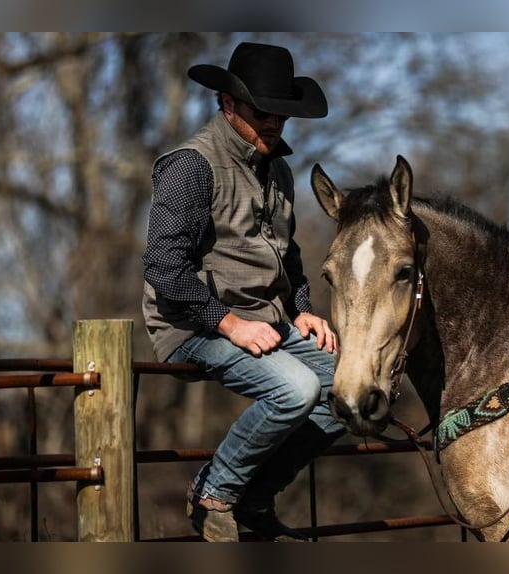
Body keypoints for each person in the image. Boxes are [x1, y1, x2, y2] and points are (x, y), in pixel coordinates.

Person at [142, 41, 345, 542]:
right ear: (229, 104)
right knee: (296, 389)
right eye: (263, 112)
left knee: (350, 390)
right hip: (191, 324)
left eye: (282, 113)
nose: (274, 123)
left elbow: (288, 256)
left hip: (266, 320)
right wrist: (229, 324)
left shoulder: (276, 168)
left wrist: (302, 312)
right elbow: (164, 269)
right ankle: (213, 494)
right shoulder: (191, 165)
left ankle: (254, 499)